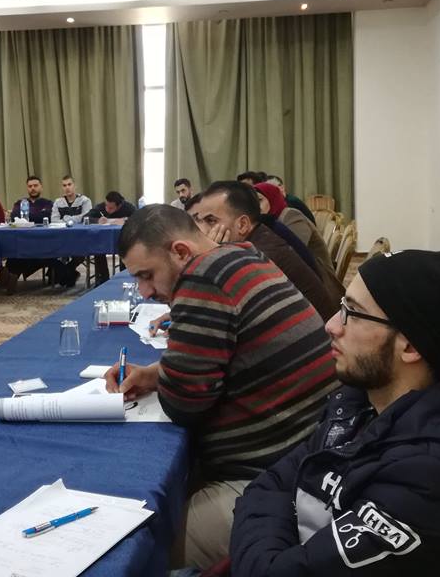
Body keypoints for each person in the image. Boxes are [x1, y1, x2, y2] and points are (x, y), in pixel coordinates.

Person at [229, 251, 440, 577]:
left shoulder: (428, 479)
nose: (331, 325)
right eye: (342, 306)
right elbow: (270, 485)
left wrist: (268, 538)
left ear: (411, 347)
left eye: (353, 313)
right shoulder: (366, 398)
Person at [104, 205, 337, 570]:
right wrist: (154, 374)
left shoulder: (201, 280)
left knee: (133, 545)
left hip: (273, 482)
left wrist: (170, 378)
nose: (144, 292)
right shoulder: (243, 254)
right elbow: (227, 357)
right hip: (310, 453)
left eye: (147, 276)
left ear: (181, 252)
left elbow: (184, 405)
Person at [193, 181, 341, 321]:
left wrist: (209, 258)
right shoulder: (260, 236)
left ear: (242, 225)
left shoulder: (257, 257)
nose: (202, 230)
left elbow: (211, 311)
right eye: (200, 221)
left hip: (322, 334)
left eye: (211, 221)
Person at [254, 182, 337, 293]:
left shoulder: (291, 216)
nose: (256, 206)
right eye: (252, 202)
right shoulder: (269, 222)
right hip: (301, 277)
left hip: (320, 282)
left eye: (260, 200)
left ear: (272, 198)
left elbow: (291, 255)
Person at [4, 176, 55, 293]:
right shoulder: (20, 203)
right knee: (16, 252)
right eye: (30, 186)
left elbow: (47, 217)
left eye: (35, 186)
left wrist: (27, 216)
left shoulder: (48, 203)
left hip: (43, 240)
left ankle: (13, 275)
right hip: (23, 240)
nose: (33, 188)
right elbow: (15, 216)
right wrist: (37, 215)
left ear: (41, 187)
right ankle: (11, 276)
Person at [49, 176, 94, 287]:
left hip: (80, 237)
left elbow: (86, 217)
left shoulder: (85, 200)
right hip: (61, 237)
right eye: (64, 185)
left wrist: (66, 219)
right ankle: (69, 273)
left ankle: (69, 269)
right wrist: (72, 220)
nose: (67, 188)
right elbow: (54, 220)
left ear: (75, 186)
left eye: (69, 184)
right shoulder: (58, 202)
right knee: (49, 249)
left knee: (81, 249)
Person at [87, 191, 136, 287]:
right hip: (103, 239)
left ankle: (124, 278)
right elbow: (86, 218)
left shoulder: (128, 207)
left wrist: (126, 220)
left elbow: (139, 219)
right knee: (97, 247)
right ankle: (102, 279)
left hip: (123, 239)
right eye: (106, 206)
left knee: (125, 248)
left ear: (119, 206)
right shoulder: (101, 207)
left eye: (110, 208)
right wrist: (97, 220)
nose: (107, 209)